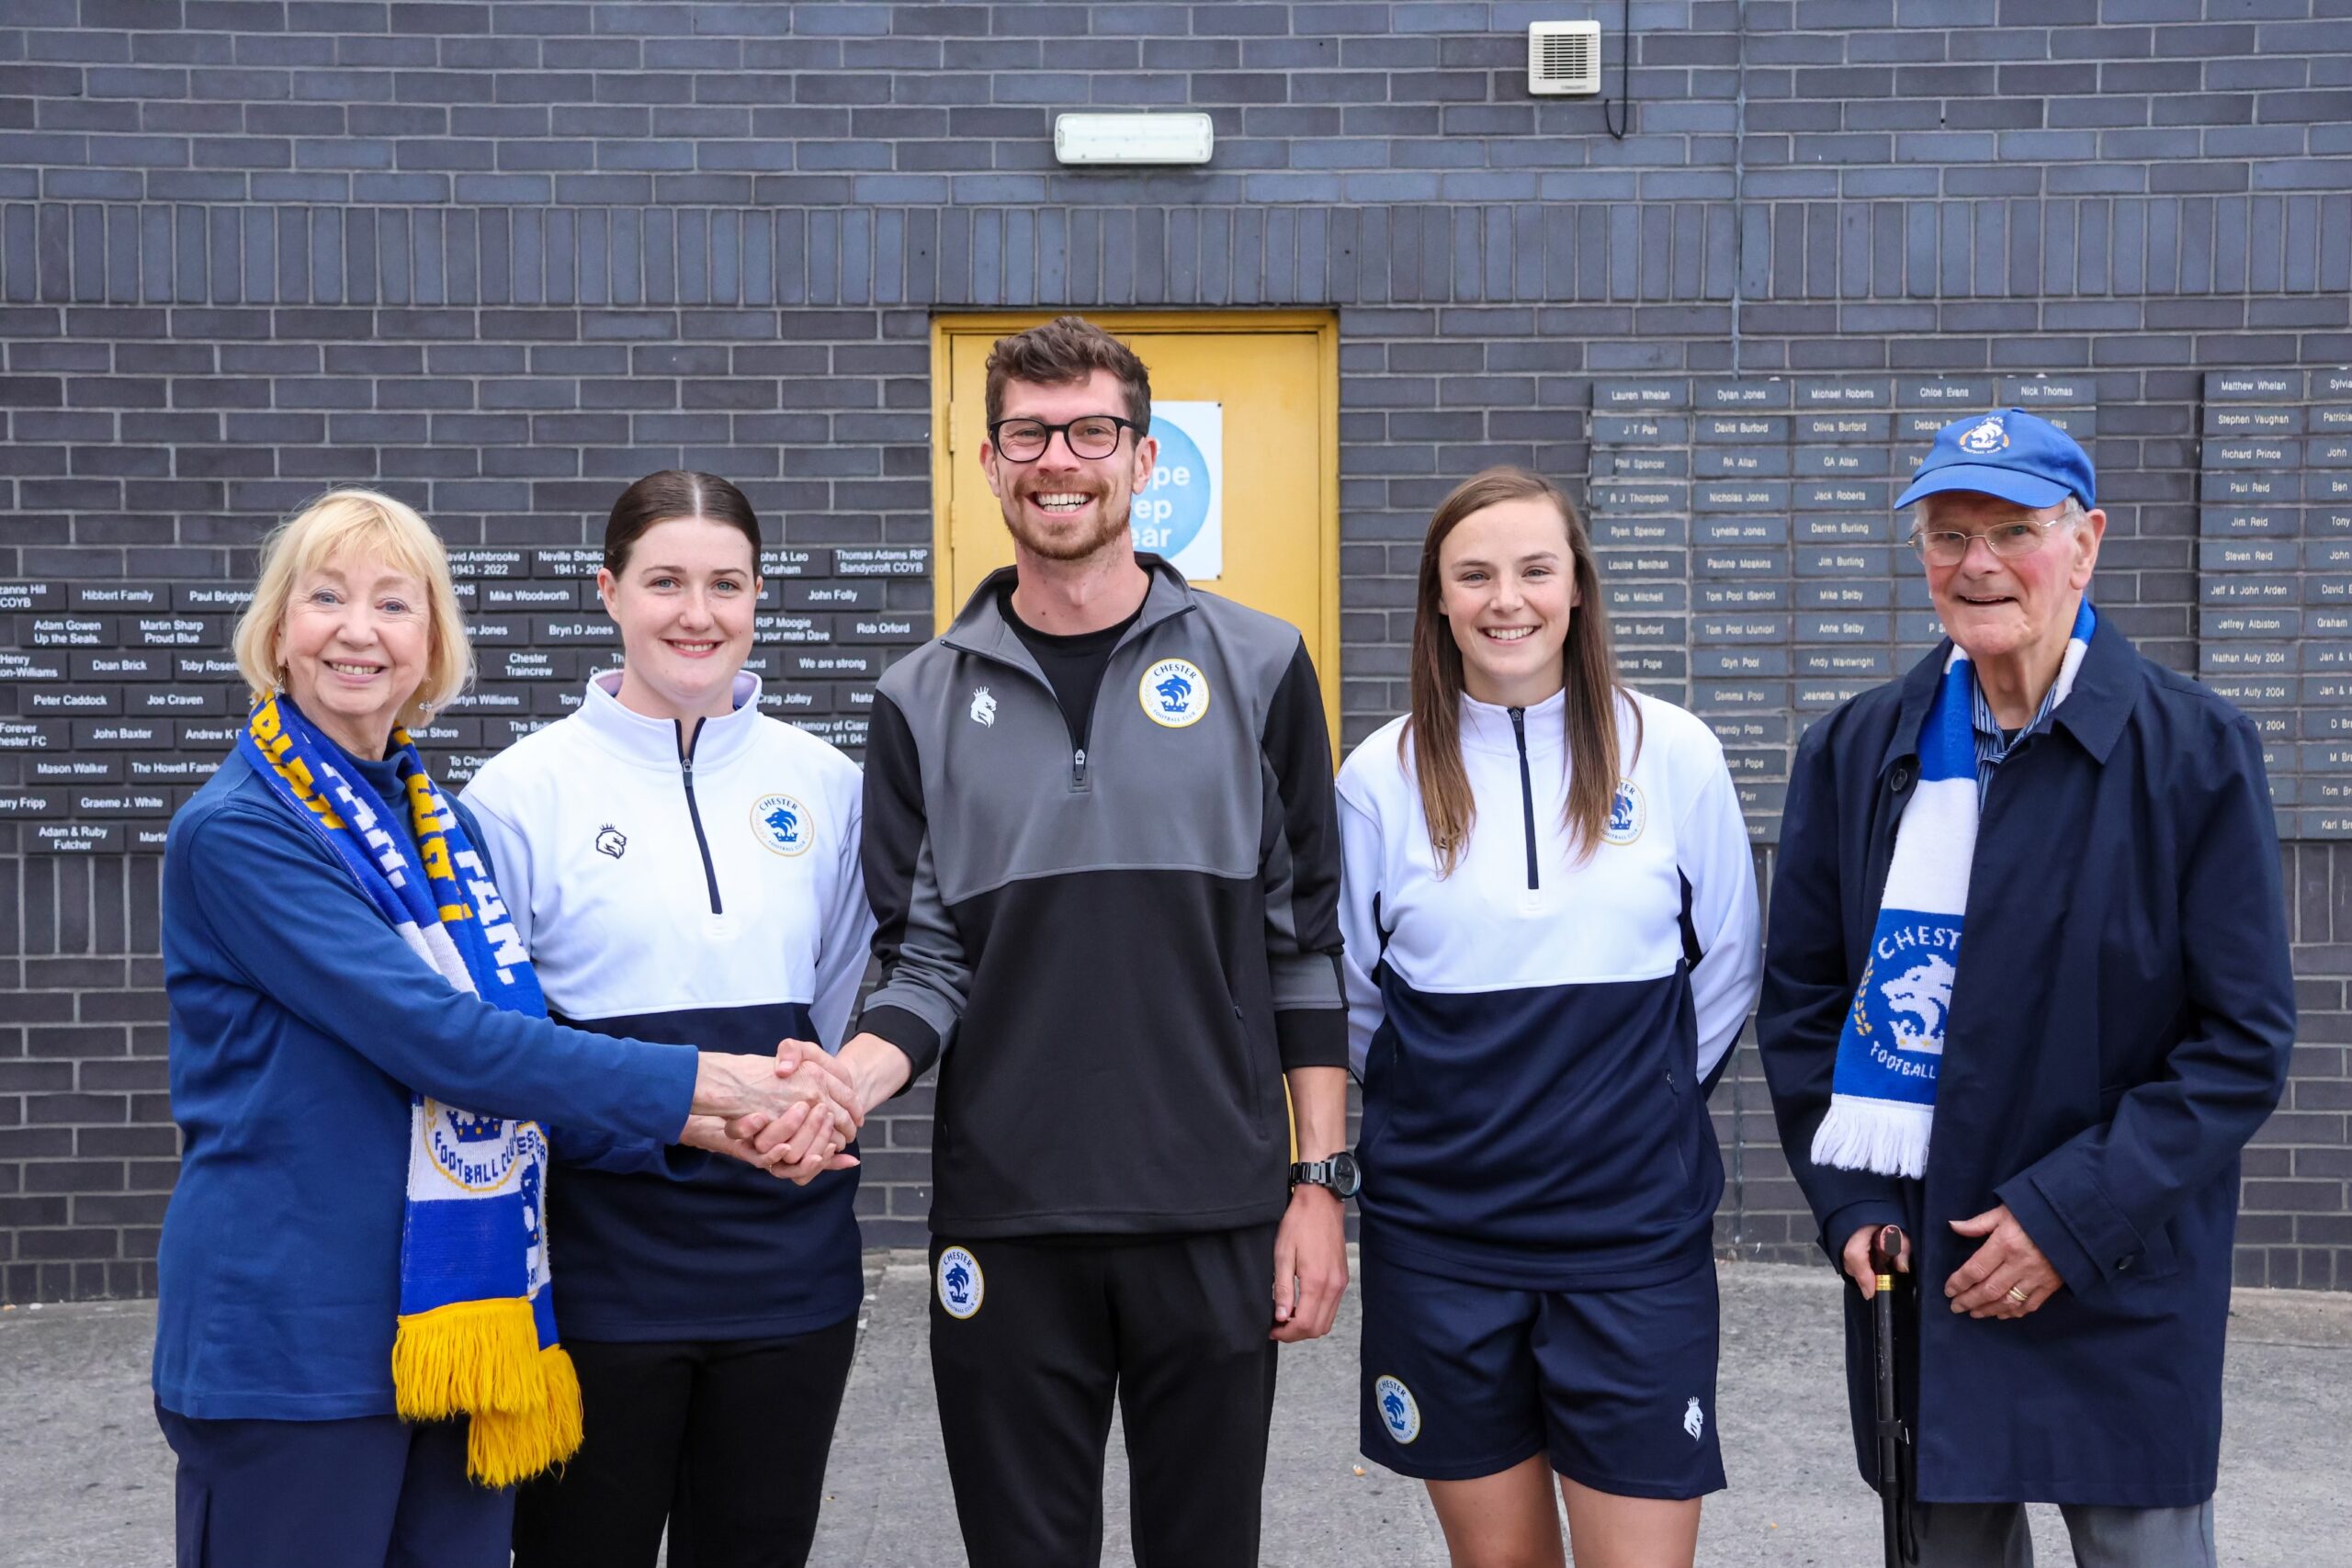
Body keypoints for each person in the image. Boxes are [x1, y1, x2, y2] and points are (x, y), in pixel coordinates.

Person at [153, 489, 854, 1568]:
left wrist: (694, 1133)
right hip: (300, 1343)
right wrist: (706, 1086)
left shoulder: (427, 820)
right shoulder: (241, 832)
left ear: (430, 640)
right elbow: (442, 1041)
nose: (358, 630)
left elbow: (513, 1075)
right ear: (276, 631)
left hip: (456, 1327)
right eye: (325, 598)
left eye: (396, 604)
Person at [753, 315, 1351, 1567]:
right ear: (989, 459)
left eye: (1092, 430)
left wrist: (1319, 1184)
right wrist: (843, 1083)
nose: (1059, 458)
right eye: (1030, 432)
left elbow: (1303, 948)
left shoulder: (1260, 663)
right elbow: (923, 960)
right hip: (1010, 1214)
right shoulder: (919, 697)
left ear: (1141, 459)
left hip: (1212, 1205)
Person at [1757, 410, 2295, 1567]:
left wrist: (2064, 1220)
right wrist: (1850, 1205)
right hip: (1926, 1267)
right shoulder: (1854, 753)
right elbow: (1806, 1004)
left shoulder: (2194, 751)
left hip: (2122, 1273)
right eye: (1948, 535)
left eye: (2014, 530)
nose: (1979, 564)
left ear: (2086, 543)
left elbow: (2240, 1041)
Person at [1336, 468, 1762, 1568]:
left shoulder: (1671, 753)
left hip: (1629, 1241)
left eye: (1535, 569)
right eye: (1472, 575)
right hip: (1442, 1245)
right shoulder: (1376, 779)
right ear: (1437, 599)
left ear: (1578, 589)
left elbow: (1723, 969)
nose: (1505, 599)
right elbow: (1353, 1004)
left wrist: (1635, 1105)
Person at [463, 471, 873, 1568]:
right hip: (601, 1275)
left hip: (792, 1268)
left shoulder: (828, 784)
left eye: (726, 585)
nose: (698, 614)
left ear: (756, 597)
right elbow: (501, 1046)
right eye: (666, 582)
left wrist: (801, 1114)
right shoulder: (517, 795)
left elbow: (834, 1006)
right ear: (608, 592)